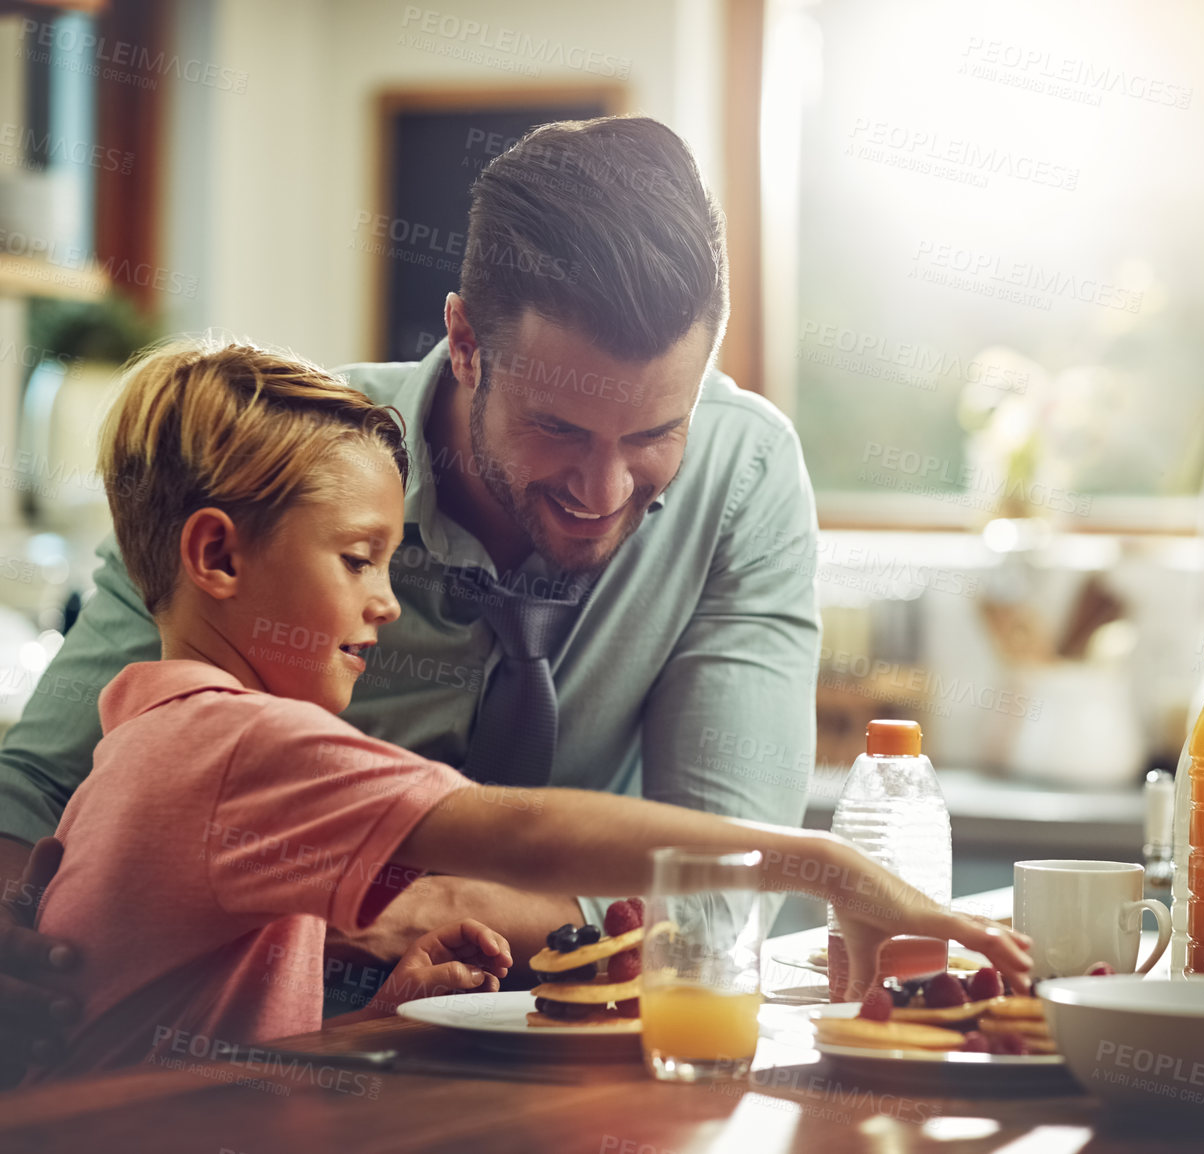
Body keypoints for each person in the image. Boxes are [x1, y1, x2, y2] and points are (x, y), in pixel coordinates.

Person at [0, 116, 823, 1076]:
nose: (603, 494)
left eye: (654, 434)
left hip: (581, 1060)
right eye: (557, 427)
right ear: (466, 341)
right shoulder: (280, 466)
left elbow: (716, 898)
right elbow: (35, 794)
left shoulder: (747, 471)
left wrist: (438, 908)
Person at [19, 340, 1030, 1081]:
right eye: (358, 558)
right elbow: (533, 831)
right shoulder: (239, 741)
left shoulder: (149, 731)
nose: (385, 597)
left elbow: (213, 1017)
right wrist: (831, 864)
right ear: (218, 556)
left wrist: (389, 1000)